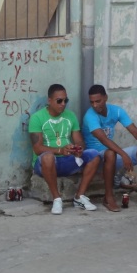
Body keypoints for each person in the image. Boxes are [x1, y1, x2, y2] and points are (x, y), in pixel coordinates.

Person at [82, 84, 137, 212]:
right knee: (110, 153)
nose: (95, 105)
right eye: (92, 102)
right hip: (95, 159)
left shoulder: (116, 111)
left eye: (98, 101)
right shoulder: (90, 116)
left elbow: (135, 131)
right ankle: (108, 198)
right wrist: (123, 155)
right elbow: (103, 139)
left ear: (106, 98)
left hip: (112, 155)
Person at [29, 84, 101, 215]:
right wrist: (60, 150)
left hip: (67, 159)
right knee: (47, 157)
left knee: (94, 155)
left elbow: (79, 140)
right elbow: (37, 148)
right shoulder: (37, 118)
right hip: (46, 163)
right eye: (59, 101)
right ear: (49, 101)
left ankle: (79, 197)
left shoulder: (70, 116)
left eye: (65, 100)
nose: (63, 104)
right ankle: (57, 199)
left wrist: (78, 148)